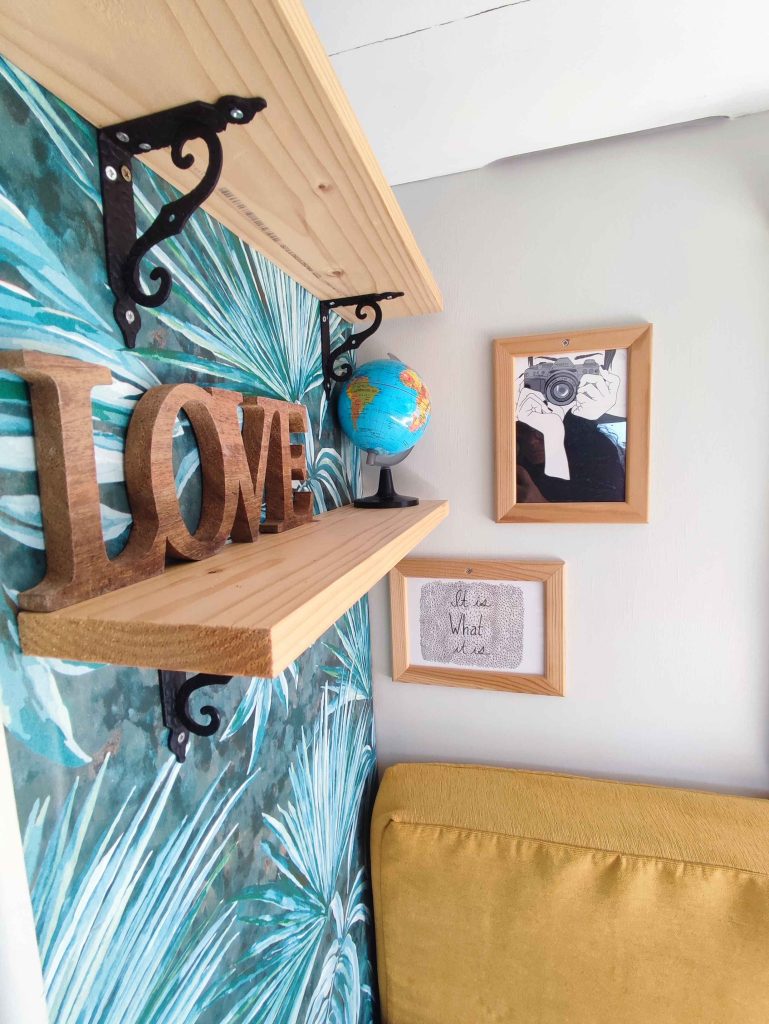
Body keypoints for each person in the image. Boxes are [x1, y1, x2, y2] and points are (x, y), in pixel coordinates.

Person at [516, 350, 625, 502]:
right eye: (522, 430)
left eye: (542, 431)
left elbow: (613, 514)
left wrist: (540, 504)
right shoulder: (515, 452)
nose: (531, 441)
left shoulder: (598, 452)